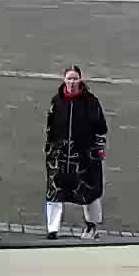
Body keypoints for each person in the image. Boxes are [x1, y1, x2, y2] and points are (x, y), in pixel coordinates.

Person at [44, 66, 108, 238]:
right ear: (63, 79)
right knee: (54, 190)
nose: (72, 82)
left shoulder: (91, 102)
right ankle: (52, 228)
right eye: (69, 78)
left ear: (80, 80)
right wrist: (50, 150)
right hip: (60, 155)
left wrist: (98, 149)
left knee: (89, 191)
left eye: (75, 79)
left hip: (84, 155)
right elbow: (50, 128)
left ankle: (91, 225)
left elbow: (102, 127)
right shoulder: (56, 101)